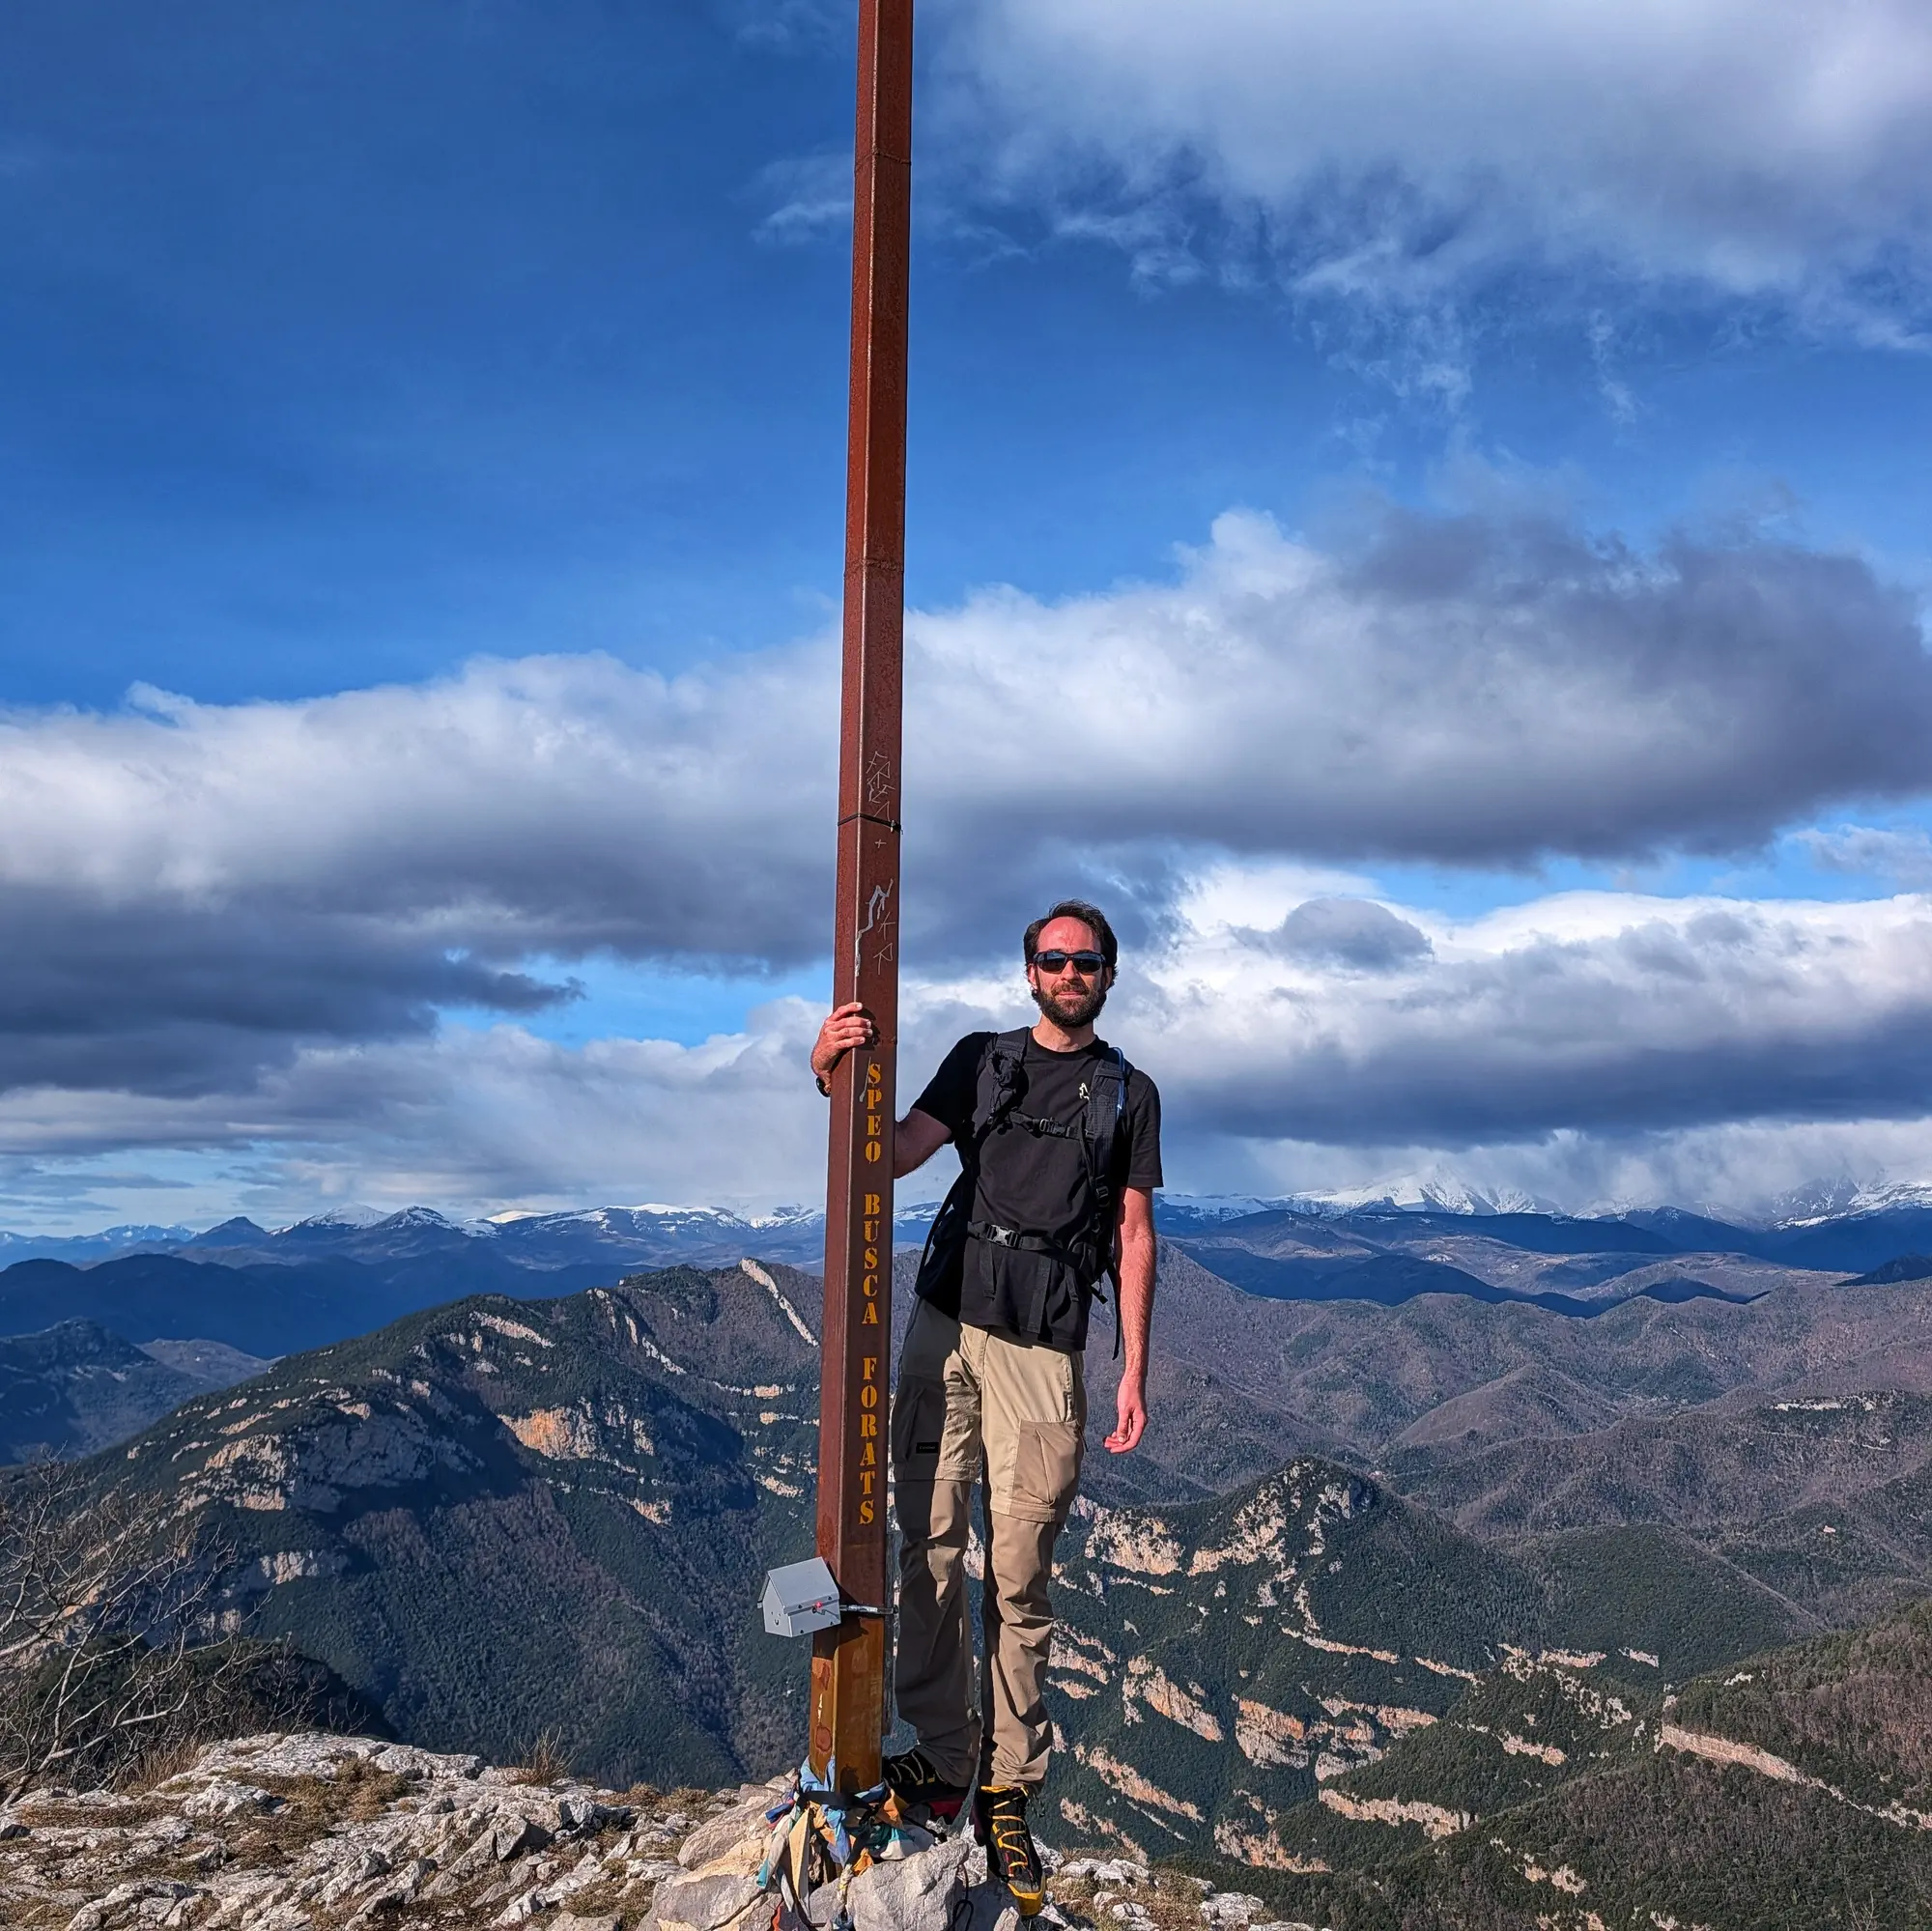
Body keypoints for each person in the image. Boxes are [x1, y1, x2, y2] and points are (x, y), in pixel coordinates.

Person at [810, 898, 1161, 1917]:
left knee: (1017, 1574)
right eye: (1052, 959)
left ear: (1105, 974)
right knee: (920, 1545)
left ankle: (1007, 1786)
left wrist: (1134, 1368)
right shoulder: (980, 1060)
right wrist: (829, 1069)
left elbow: (1133, 1236)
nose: (1067, 972)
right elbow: (888, 1152)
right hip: (942, 1328)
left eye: (1083, 960)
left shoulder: (1127, 1094)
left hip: (1042, 1351)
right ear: (1028, 972)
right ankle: (942, 1754)